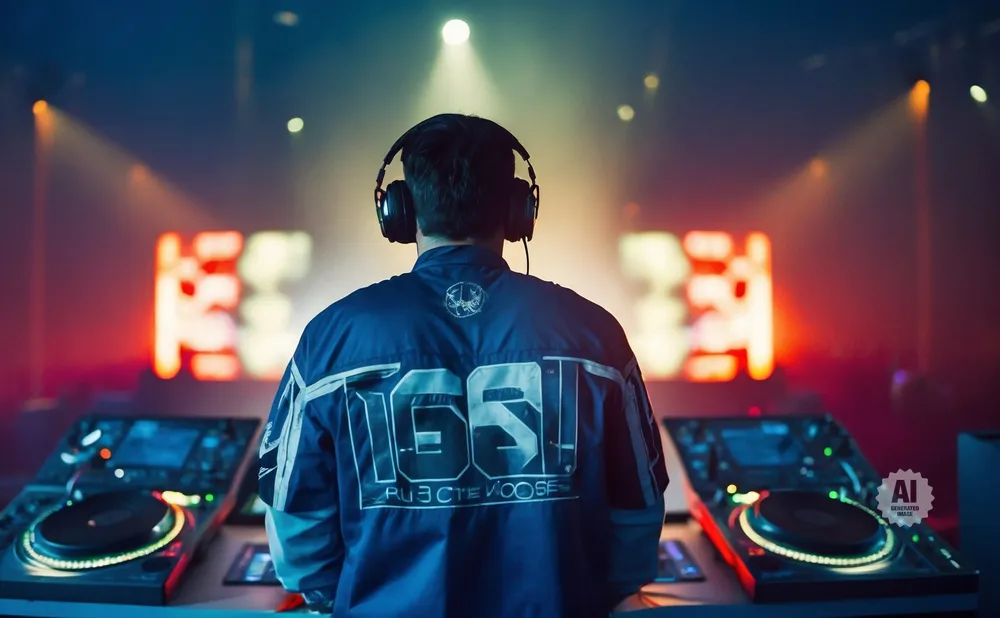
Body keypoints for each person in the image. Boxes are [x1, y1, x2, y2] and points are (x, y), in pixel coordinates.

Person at [258, 114, 668, 617]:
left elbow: (297, 516)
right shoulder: (595, 334)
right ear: (519, 210)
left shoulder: (333, 337)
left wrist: (338, 597)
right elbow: (636, 509)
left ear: (400, 210)